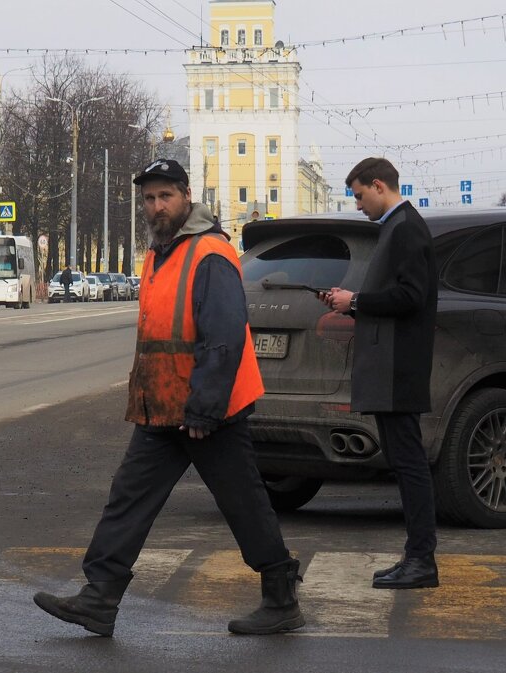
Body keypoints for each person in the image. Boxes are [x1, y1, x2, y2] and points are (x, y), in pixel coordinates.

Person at [33, 158, 305, 636]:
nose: (156, 206)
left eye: (165, 197)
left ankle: (281, 600)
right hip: (161, 409)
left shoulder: (210, 253)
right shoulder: (159, 254)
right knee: (127, 499)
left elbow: (223, 338)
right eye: (149, 199)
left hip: (208, 411)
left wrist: (205, 406)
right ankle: (99, 597)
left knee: (243, 502)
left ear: (186, 196)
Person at [320, 157, 440, 590]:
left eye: (358, 195)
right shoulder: (398, 225)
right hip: (391, 364)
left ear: (377, 185)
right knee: (404, 463)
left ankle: (422, 560)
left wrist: (356, 302)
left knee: (409, 465)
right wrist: (351, 300)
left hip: (398, 366)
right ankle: (416, 556)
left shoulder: (405, 226)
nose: (357, 205)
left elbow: (410, 295)